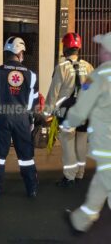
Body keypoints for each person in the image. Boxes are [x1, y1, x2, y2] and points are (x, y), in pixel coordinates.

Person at [0, 36, 39, 201]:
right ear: (19, 53)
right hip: (22, 119)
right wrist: (31, 120)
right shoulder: (31, 75)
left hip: (2, 117)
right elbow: (34, 102)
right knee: (26, 157)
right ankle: (31, 190)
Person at [63, 32, 111, 232]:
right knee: (102, 180)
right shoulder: (93, 72)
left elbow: (82, 106)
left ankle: (81, 220)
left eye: (102, 49)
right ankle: (80, 221)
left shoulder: (98, 75)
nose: (99, 52)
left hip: (106, 139)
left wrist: (69, 122)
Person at [44, 33, 94, 187]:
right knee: (81, 143)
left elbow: (54, 91)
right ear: (78, 48)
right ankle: (79, 173)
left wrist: (47, 112)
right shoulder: (88, 66)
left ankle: (69, 177)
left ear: (65, 48)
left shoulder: (61, 67)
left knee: (68, 143)